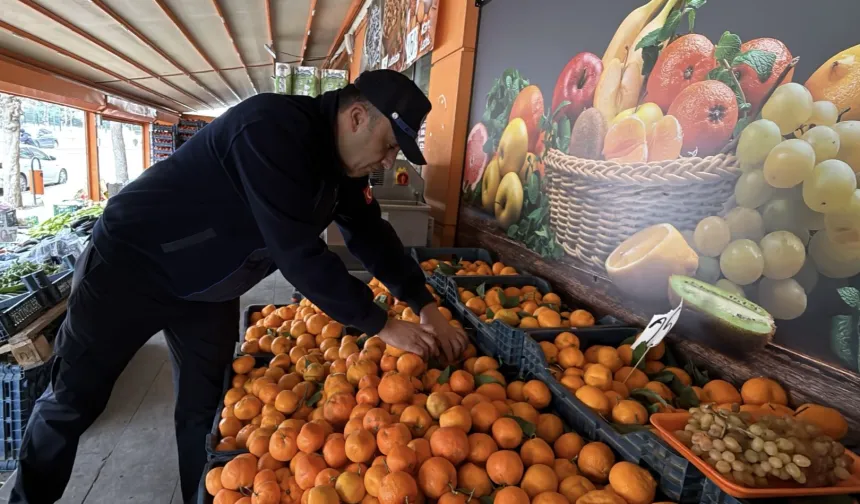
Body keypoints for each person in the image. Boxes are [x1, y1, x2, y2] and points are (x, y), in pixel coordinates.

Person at [11, 69, 468, 503]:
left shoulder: (342, 170)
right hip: (131, 266)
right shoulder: (271, 129)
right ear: (356, 117)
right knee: (73, 398)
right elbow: (298, 254)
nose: (390, 160)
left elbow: (370, 234)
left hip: (207, 288)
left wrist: (423, 304)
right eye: (389, 145)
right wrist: (381, 324)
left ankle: (199, 496)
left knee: (205, 407)